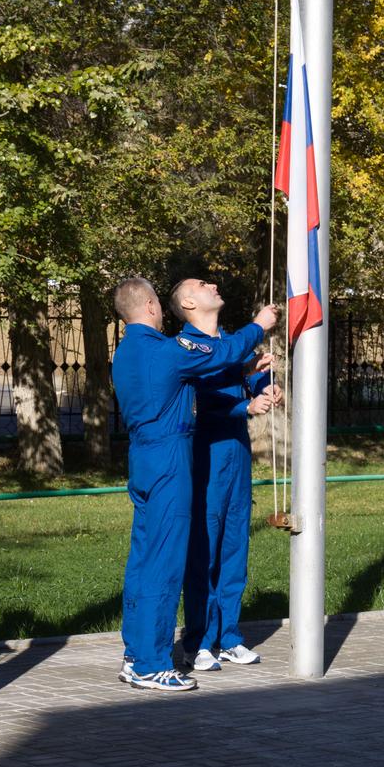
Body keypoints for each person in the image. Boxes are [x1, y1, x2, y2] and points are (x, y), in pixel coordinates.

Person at [111, 277, 277, 692]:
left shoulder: (128, 351)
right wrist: (259, 325)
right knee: (164, 565)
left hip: (145, 456)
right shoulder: (166, 350)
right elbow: (220, 351)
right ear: (152, 306)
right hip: (168, 459)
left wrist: (244, 372)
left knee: (144, 559)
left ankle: (135, 654)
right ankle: (151, 664)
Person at [169, 278, 282, 672]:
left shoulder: (230, 343)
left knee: (235, 547)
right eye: (202, 284)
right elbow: (201, 400)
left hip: (236, 456)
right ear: (188, 302)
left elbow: (241, 375)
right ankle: (197, 640)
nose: (214, 284)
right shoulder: (188, 346)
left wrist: (264, 383)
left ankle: (229, 635)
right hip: (207, 457)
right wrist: (244, 409)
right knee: (204, 550)